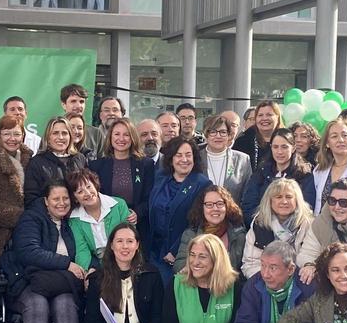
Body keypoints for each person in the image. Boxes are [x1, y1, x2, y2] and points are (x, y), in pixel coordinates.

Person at [4, 181, 85, 323]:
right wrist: (66, 263)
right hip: (30, 281)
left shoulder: (73, 221)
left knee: (65, 303)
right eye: (56, 199)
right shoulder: (31, 219)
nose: (61, 203)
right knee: (37, 303)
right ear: (46, 201)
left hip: (62, 284)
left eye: (65, 198)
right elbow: (28, 251)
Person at [149, 138, 211, 283]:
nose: (184, 159)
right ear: (171, 159)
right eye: (179, 155)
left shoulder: (202, 184)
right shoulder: (160, 177)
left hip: (178, 254)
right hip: (154, 251)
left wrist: (176, 250)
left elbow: (198, 222)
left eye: (188, 155)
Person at [0, 115, 34, 281]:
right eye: (7, 134)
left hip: (24, 235)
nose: (12, 139)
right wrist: (20, 216)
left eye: (17, 134)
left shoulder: (29, 159)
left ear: (23, 135)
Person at [90, 117, 154, 243]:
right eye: (117, 134)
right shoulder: (96, 166)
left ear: (132, 138)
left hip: (136, 225)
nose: (121, 139)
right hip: (106, 225)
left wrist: (138, 213)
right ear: (110, 137)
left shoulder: (145, 164)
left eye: (126, 135)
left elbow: (150, 196)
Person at [241, 178, 315, 279]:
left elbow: (311, 259)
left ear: (297, 200)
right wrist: (269, 278)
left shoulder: (309, 224)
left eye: (289, 197)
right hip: (266, 280)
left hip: (298, 280)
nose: (284, 201)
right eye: (278, 197)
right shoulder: (259, 223)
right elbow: (250, 263)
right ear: (270, 201)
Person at [240, 127, 317, 219]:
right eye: (275, 147)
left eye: (284, 147)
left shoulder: (305, 175)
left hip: (293, 229)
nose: (279, 152)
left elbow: (306, 207)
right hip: (261, 227)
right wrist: (262, 225)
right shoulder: (261, 173)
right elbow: (248, 205)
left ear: (293, 148)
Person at [67, 168, 134, 271]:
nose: (88, 193)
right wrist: (87, 270)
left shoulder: (119, 205)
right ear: (75, 198)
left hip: (126, 258)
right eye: (80, 192)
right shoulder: (75, 219)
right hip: (98, 265)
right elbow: (82, 251)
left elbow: (130, 238)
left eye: (89, 187)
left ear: (95, 185)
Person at [173, 185, 247, 275]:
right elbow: (179, 265)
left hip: (227, 285)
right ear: (202, 208)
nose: (215, 209)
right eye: (209, 205)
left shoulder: (238, 234)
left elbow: (242, 269)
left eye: (219, 204)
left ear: (227, 206)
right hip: (197, 284)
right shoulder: (191, 233)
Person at [25, 116, 87, 205]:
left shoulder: (80, 159)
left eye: (65, 133)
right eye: (55, 133)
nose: (60, 137)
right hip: (49, 216)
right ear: (48, 138)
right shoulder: (36, 163)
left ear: (70, 137)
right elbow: (31, 198)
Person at [200, 115, 253, 205]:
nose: (218, 136)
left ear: (229, 135)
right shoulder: (195, 158)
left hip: (232, 215)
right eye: (213, 132)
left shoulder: (242, 159)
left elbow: (248, 193)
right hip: (199, 215)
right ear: (206, 134)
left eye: (223, 132)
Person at [232, 100, 282, 169]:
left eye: (269, 115)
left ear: (278, 117)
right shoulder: (242, 142)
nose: (264, 118)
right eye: (260, 115)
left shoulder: (287, 140)